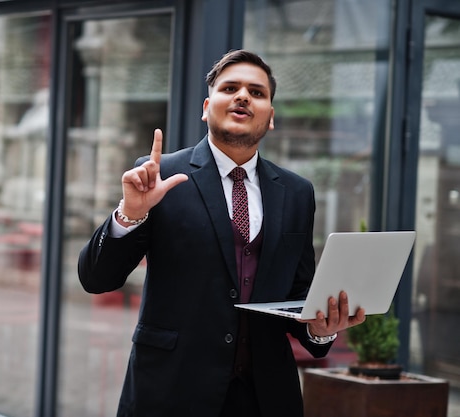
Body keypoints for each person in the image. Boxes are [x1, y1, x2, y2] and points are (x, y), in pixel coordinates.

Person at [78, 49, 366, 417]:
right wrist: (130, 213)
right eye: (230, 88)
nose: (243, 96)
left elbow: (297, 294)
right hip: (172, 391)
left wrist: (323, 327)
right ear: (206, 106)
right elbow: (96, 279)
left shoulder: (297, 192)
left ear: (271, 117)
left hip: (265, 398)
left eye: (257, 92)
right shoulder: (160, 174)